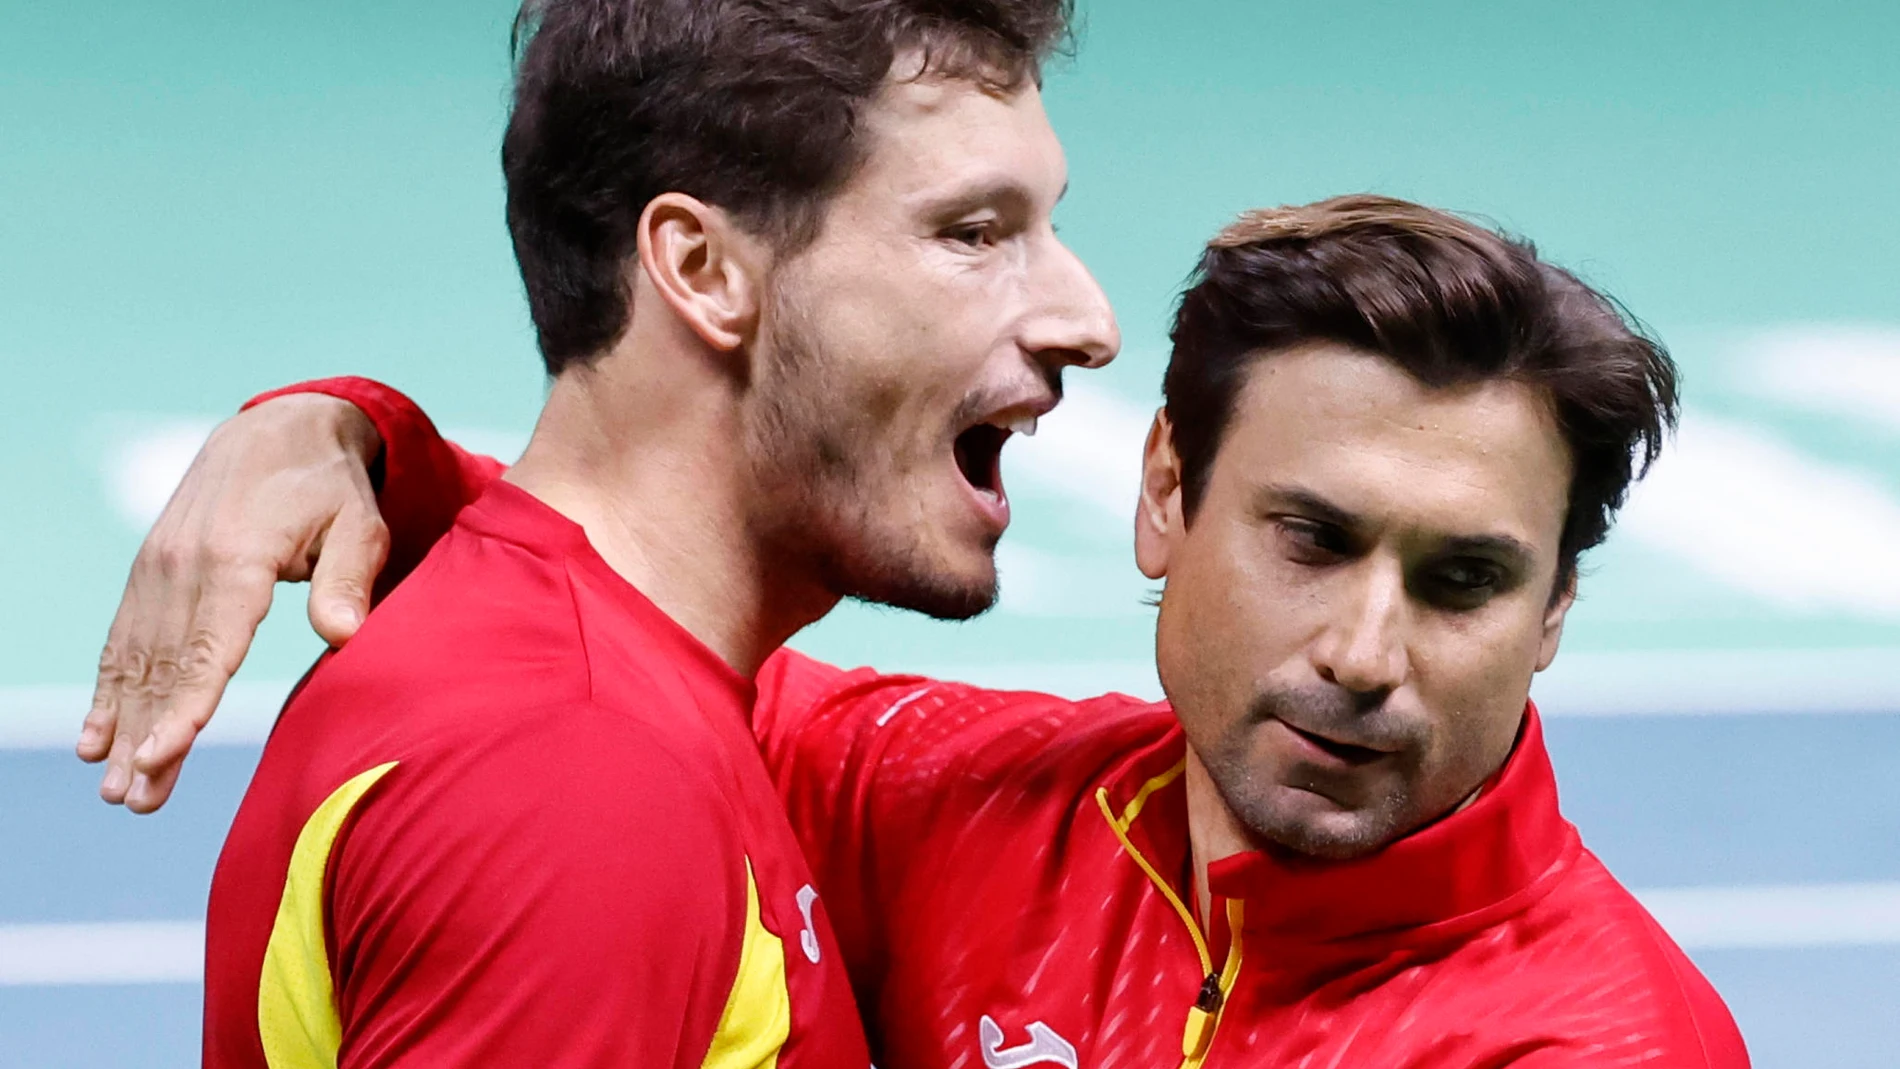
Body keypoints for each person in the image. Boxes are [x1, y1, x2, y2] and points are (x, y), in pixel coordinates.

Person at [84, 196, 1751, 1066]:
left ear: (1551, 614)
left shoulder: (1592, 1041)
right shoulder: (959, 804)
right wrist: (354, 439)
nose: (1369, 651)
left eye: (1463, 581)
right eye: (1311, 540)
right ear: (1166, 495)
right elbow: (641, 621)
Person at [74, 0, 1119, 1065]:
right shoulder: (575, 775)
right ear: (702, 270)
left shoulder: (579, 677)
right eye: (973, 234)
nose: (1088, 322)